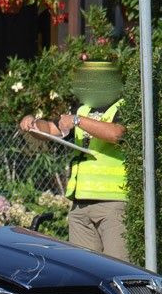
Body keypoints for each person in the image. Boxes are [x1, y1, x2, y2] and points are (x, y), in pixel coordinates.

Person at [19, 101, 128, 261]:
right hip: (80, 205)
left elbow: (117, 134)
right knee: (83, 268)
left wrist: (77, 121)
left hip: (113, 202)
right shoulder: (83, 108)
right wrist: (32, 123)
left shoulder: (123, 104)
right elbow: (49, 129)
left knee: (117, 266)